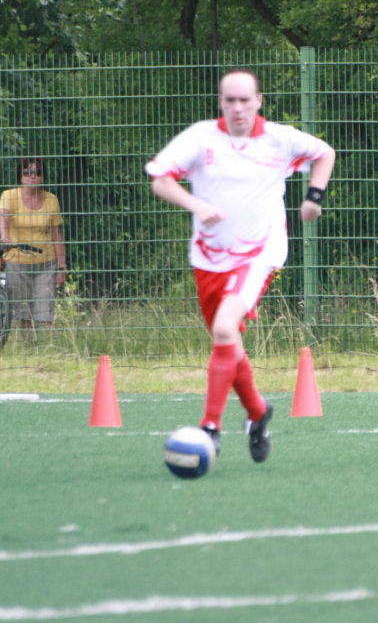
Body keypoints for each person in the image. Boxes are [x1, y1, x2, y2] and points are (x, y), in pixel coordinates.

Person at [147, 68, 335, 464]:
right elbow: (160, 180)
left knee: (223, 328)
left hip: (259, 254)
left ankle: (210, 427)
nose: (237, 108)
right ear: (221, 102)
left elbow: (325, 153)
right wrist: (196, 205)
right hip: (208, 259)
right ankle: (257, 412)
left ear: (258, 101)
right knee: (227, 341)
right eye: (229, 100)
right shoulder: (201, 137)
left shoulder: (279, 139)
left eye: (244, 100)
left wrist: (313, 197)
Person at [0, 158, 67, 332]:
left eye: (37, 172)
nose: (32, 176)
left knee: (45, 312)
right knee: (24, 313)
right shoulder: (9, 196)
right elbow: (3, 218)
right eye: (27, 172)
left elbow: (57, 235)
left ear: (43, 176)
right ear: (20, 176)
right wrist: (5, 237)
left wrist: (61, 267)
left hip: (46, 262)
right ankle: (28, 344)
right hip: (17, 261)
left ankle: (48, 344)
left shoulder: (51, 199)